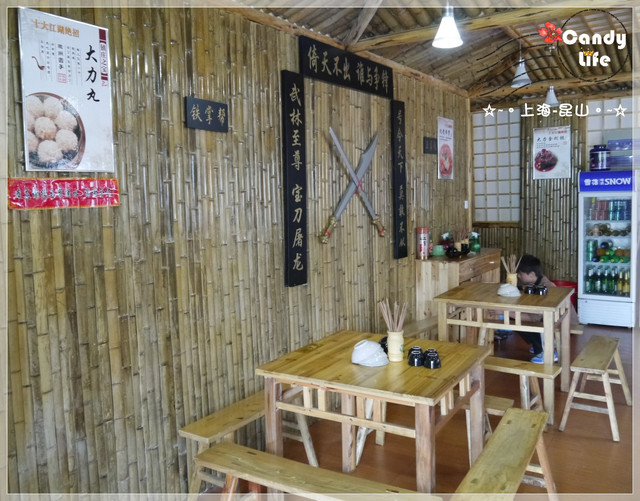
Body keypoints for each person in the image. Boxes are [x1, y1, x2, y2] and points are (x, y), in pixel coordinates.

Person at [515, 254, 578, 363]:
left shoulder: (547, 287)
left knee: (518, 320)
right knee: (518, 318)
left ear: (532, 275)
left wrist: (503, 312)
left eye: (520, 273)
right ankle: (540, 344)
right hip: (555, 320)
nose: (518, 276)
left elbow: (533, 318)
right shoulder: (535, 282)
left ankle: (548, 351)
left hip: (565, 323)